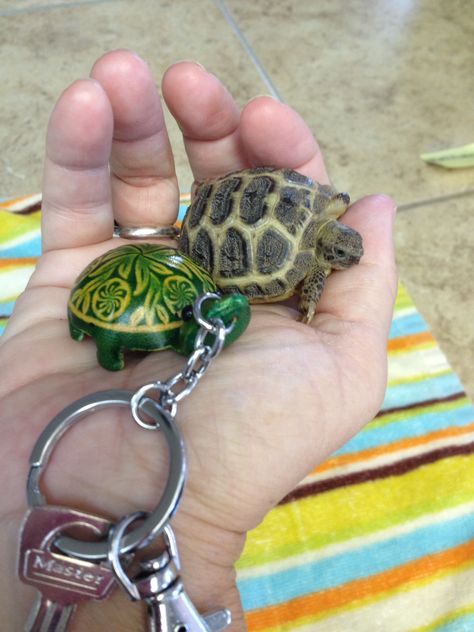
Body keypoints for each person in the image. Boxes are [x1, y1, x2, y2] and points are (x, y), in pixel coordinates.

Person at [0, 50, 397, 630]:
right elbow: (307, 270)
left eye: (341, 252)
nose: (344, 258)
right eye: (338, 252)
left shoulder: (320, 217)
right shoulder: (309, 243)